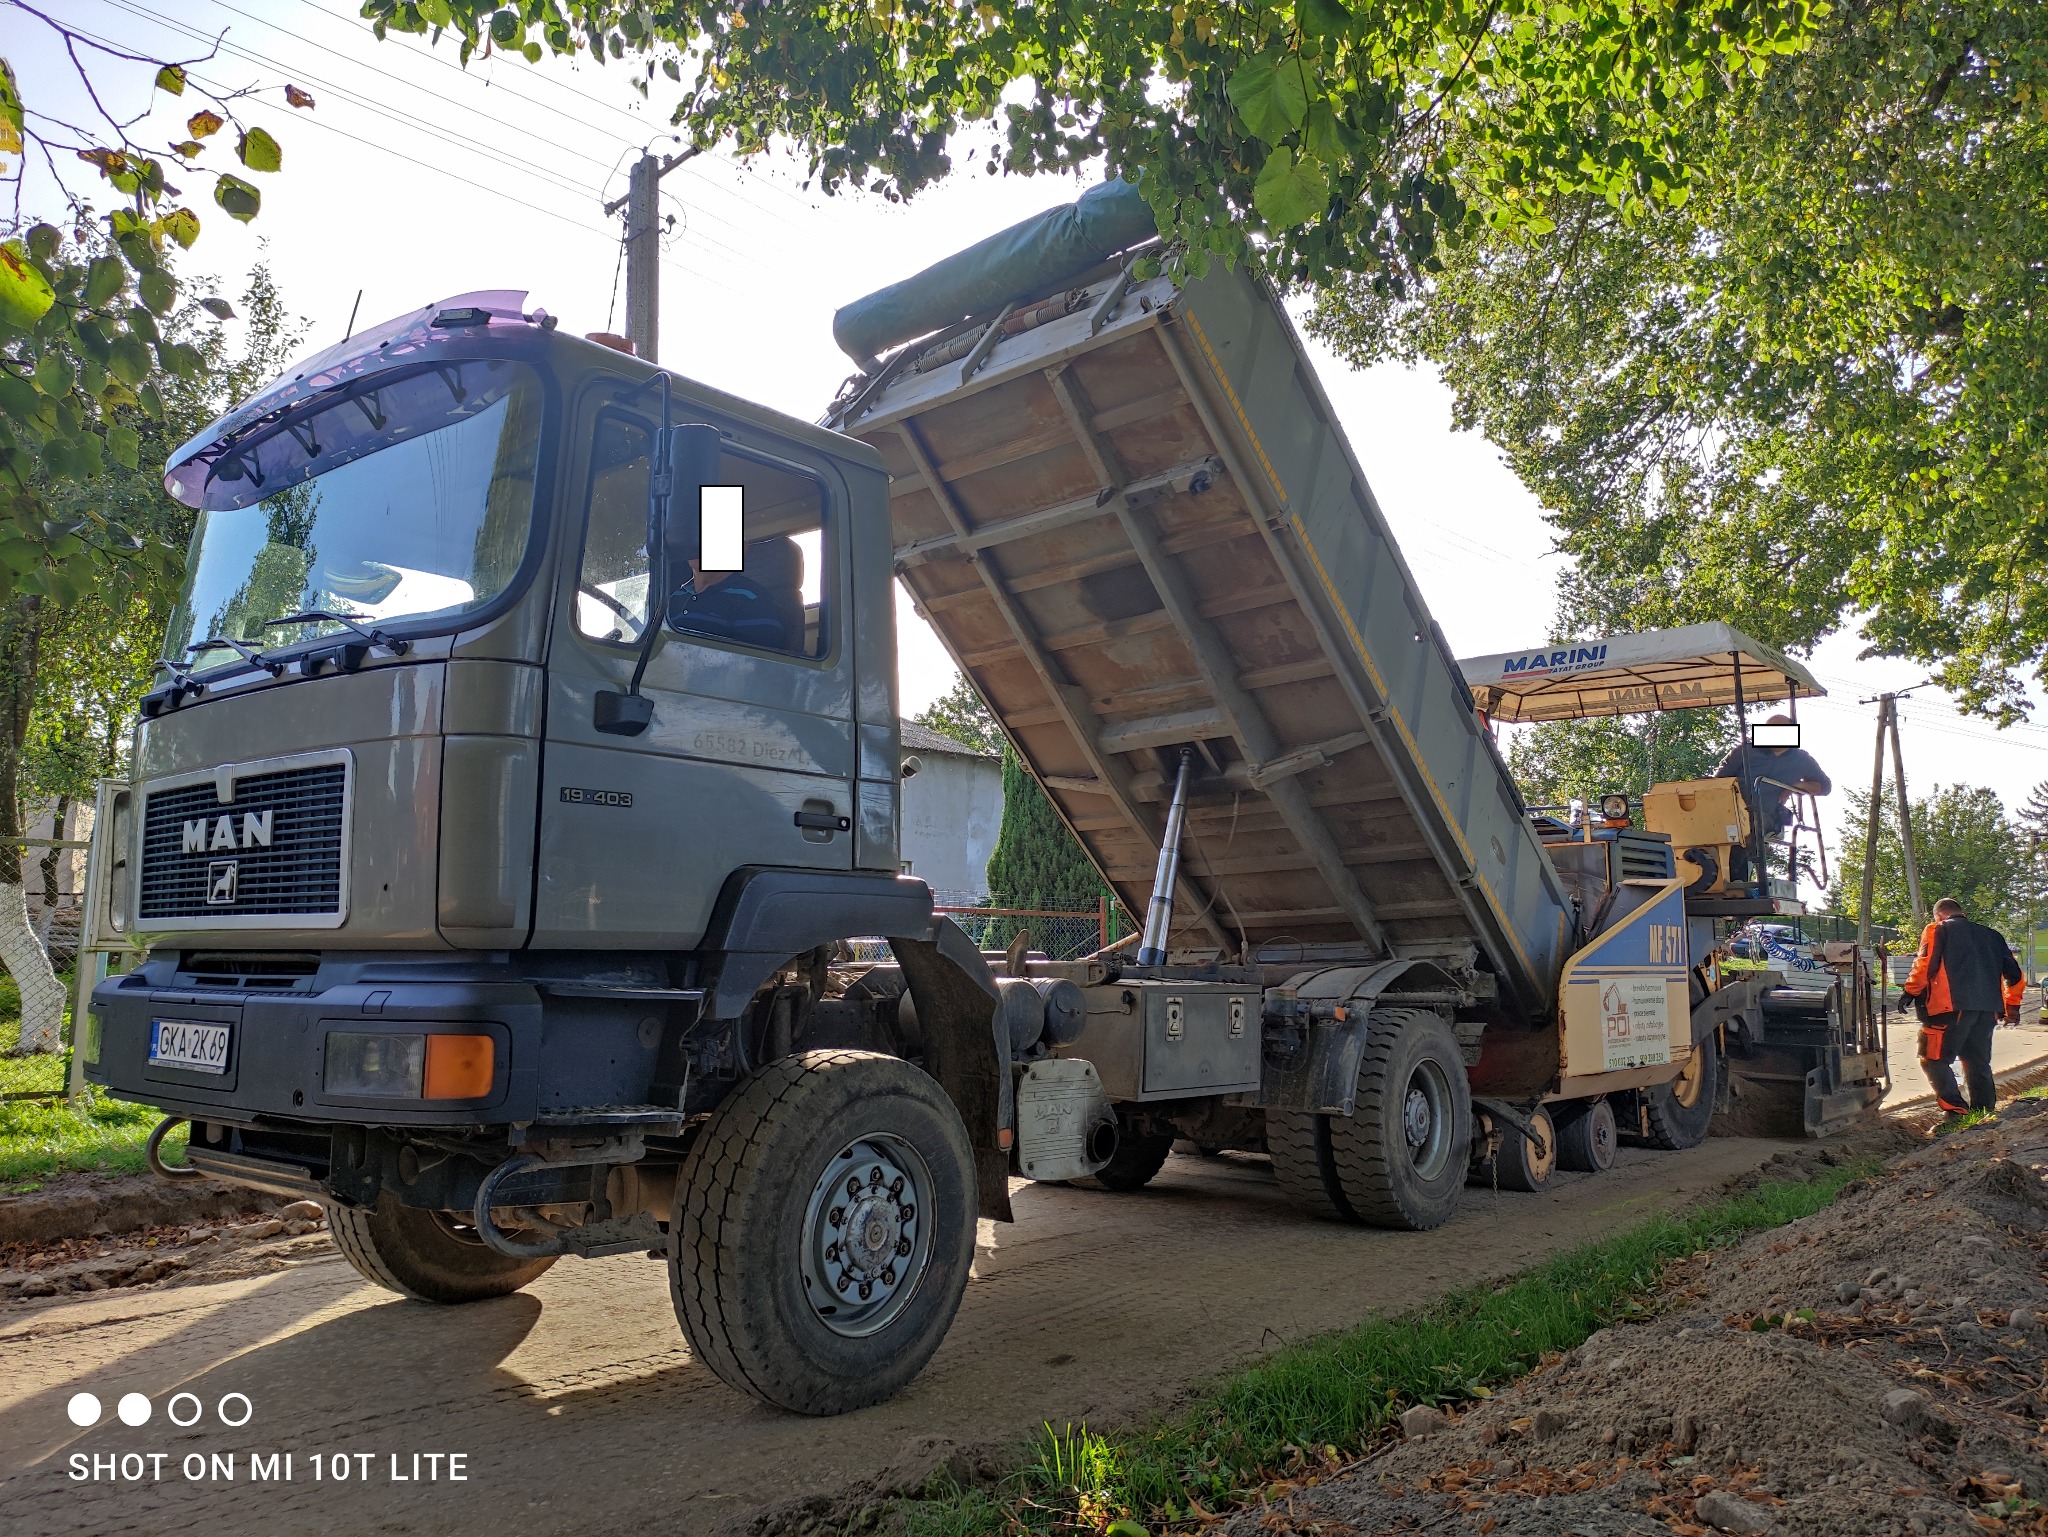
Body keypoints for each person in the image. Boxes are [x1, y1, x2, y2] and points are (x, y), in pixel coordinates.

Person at [1901, 897, 2026, 1115]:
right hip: (1988, 1011)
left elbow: (1925, 965)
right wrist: (2012, 1005)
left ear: (1939, 915)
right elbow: (2015, 976)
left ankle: (1956, 1110)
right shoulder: (1993, 936)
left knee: (1932, 1059)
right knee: (1977, 1062)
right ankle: (1983, 1111)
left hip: (1949, 1009)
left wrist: (1910, 992)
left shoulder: (1937, 929)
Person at [667, 536, 804, 654]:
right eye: (696, 536)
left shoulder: (755, 600)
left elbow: (756, 669)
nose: (699, 543)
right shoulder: (672, 598)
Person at [1714, 713, 1831, 838]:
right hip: (1729, 810)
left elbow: (1825, 787)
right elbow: (1718, 781)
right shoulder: (1745, 751)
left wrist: (1795, 785)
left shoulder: (1801, 760)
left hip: (1765, 816)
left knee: (1747, 825)